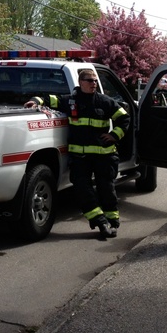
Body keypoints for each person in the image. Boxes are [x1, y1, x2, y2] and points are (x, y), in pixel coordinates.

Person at [25, 68, 130, 239]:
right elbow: (49, 99)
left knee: (106, 189)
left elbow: (124, 118)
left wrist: (114, 135)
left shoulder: (105, 101)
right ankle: (99, 221)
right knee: (82, 189)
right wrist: (35, 101)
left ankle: (112, 221)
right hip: (80, 158)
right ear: (80, 82)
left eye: (95, 80)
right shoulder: (70, 101)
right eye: (89, 80)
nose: (93, 83)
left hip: (104, 155)